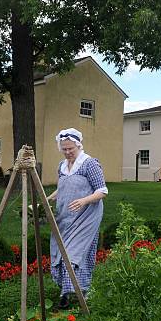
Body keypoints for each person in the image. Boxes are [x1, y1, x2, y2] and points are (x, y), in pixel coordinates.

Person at [46, 128, 108, 309]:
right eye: (64, 149)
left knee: (73, 254)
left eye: (70, 149)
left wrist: (84, 201)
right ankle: (66, 291)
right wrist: (46, 199)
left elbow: (102, 191)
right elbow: (62, 189)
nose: (67, 152)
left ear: (79, 146)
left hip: (86, 216)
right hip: (65, 217)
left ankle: (78, 293)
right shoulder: (62, 166)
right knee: (59, 253)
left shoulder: (90, 164)